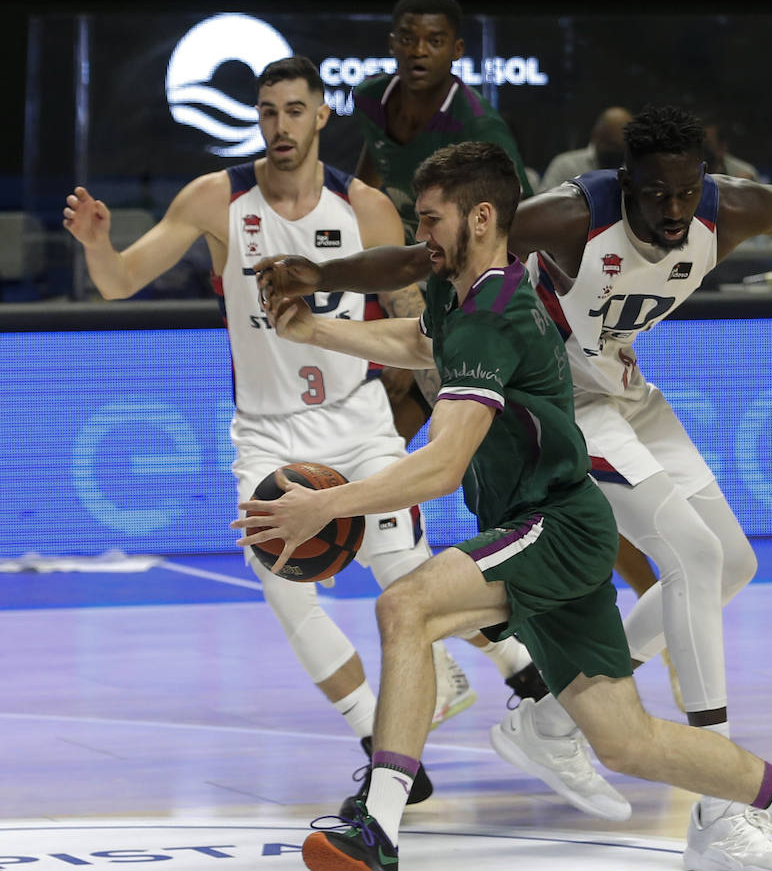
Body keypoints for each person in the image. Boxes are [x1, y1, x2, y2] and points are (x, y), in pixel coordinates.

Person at [255, 105, 772, 871]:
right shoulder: (562, 221)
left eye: (686, 191)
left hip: (604, 412)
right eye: (654, 193)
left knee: (727, 564)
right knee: (667, 612)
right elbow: (419, 275)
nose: (673, 209)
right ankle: (750, 810)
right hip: (567, 404)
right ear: (624, 182)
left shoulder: (723, 212)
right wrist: (322, 290)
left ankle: (535, 746)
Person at [60, 54, 557, 813]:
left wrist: (445, 400)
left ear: (321, 117)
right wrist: (97, 243)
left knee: (409, 575)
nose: (279, 125)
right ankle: (384, 749)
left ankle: (527, 677)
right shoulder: (214, 199)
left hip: (357, 424)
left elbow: (415, 323)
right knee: (284, 589)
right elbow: (119, 281)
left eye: (294, 110)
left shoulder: (363, 207)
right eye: (267, 111)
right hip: (266, 434)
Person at [353, 0, 536, 446]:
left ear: (456, 51)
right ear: (392, 42)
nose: (419, 51)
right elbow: (369, 172)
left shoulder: (478, 125)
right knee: (372, 424)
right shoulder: (371, 97)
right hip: (392, 262)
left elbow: (519, 221)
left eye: (434, 41)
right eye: (408, 38)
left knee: (447, 423)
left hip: (454, 274)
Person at [538, 107, 633, 193]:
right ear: (595, 135)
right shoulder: (565, 166)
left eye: (623, 146)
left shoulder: (633, 168)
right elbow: (543, 205)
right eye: (611, 144)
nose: (616, 150)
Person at [702, 117, 762, 182]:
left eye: (707, 144)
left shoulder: (745, 175)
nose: (701, 149)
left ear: (722, 147)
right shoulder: (691, 171)